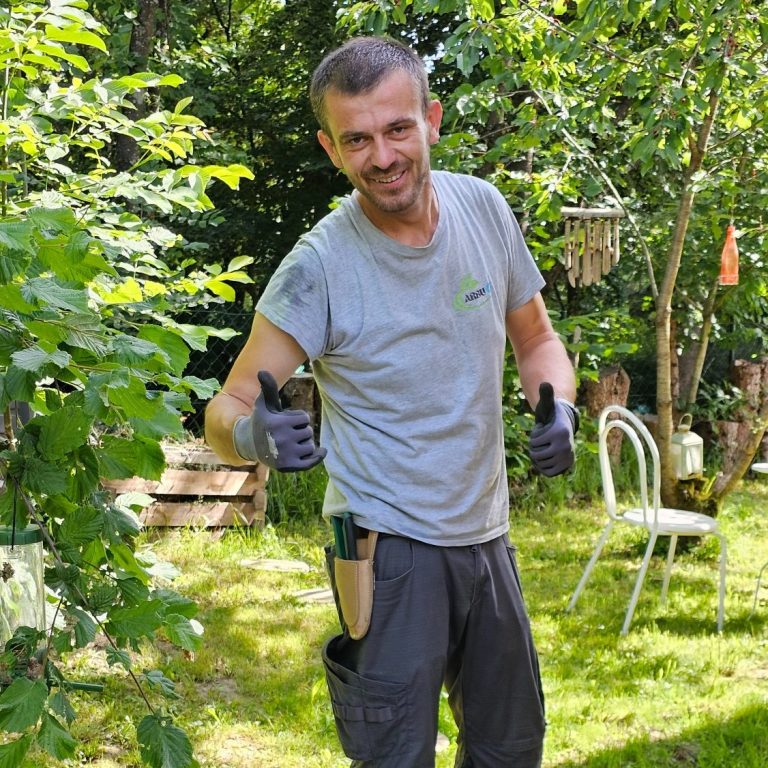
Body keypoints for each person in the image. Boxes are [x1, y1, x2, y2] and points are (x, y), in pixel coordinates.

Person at [205, 35, 578, 768]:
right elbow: (227, 405)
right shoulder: (318, 268)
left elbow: (536, 339)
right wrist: (253, 437)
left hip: (486, 537)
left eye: (398, 128)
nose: (383, 156)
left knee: (511, 750)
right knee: (395, 758)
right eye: (358, 140)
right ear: (331, 148)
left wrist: (558, 405)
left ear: (431, 118)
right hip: (388, 551)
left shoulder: (484, 210)